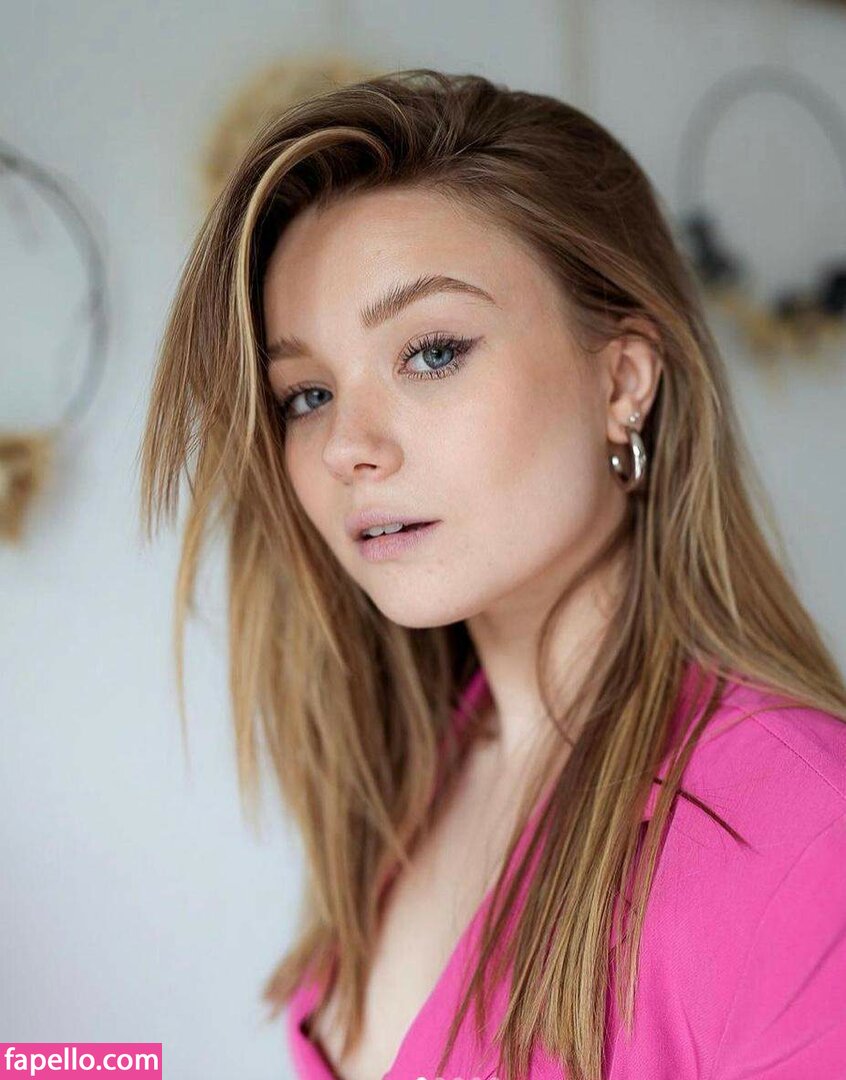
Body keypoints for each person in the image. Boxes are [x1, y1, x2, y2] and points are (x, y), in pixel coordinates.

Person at [137, 69, 846, 1080]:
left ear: (622, 380)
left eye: (431, 353)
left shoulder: (808, 832)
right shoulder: (408, 781)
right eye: (306, 395)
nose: (348, 446)